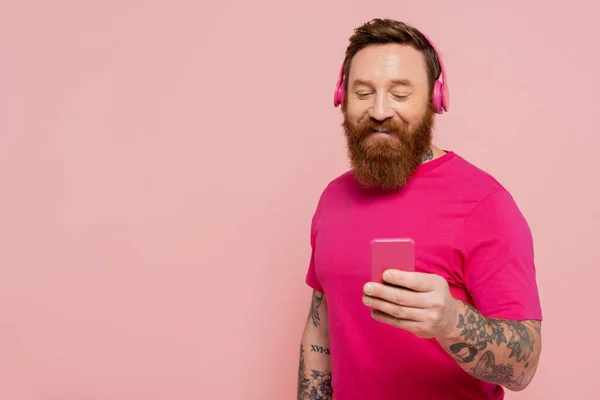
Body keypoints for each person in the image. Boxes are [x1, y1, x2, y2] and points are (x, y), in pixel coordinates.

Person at [296, 18, 543, 400]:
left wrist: (450, 322)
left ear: (435, 99)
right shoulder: (333, 198)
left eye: (399, 93)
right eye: (363, 93)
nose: (379, 110)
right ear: (341, 97)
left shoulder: (485, 205)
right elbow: (320, 330)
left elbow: (523, 366)